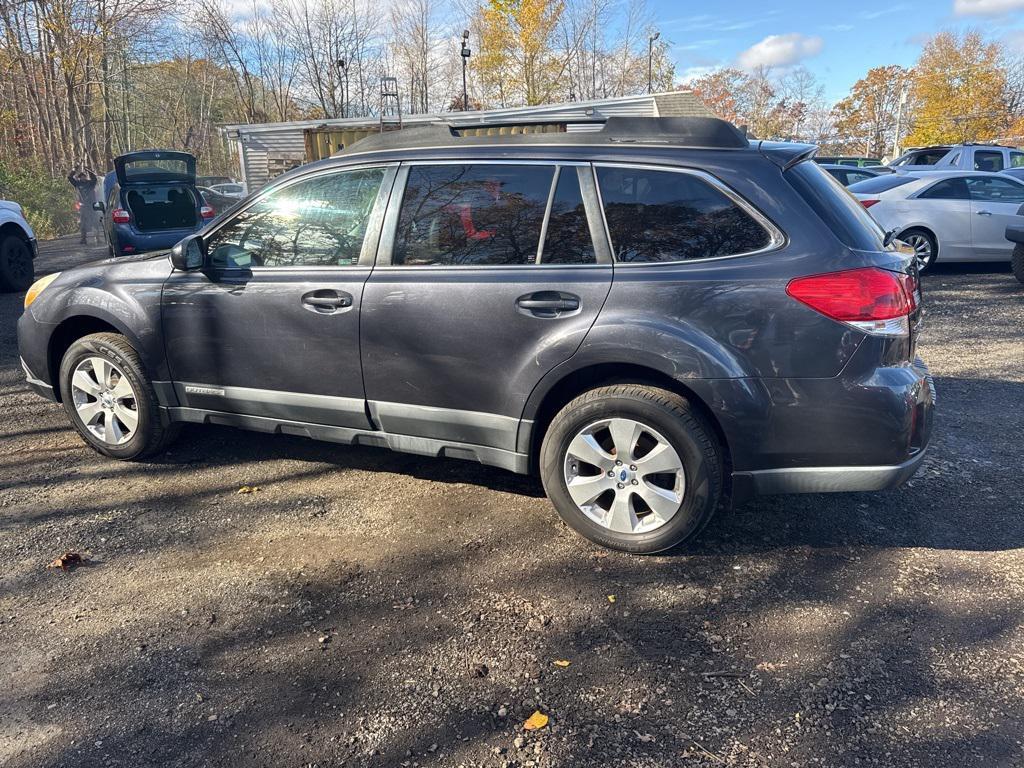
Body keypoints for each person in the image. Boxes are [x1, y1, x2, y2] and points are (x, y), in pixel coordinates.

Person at [67, 165, 99, 245]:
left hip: (92, 206)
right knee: (83, 223)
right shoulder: (77, 184)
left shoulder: (91, 183)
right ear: (79, 178)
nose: (83, 178)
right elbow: (70, 177)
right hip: (82, 206)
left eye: (84, 176)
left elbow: (95, 178)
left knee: (95, 222)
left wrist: (88, 170)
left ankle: (97, 238)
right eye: (81, 177)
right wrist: (75, 169)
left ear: (86, 177)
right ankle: (83, 239)